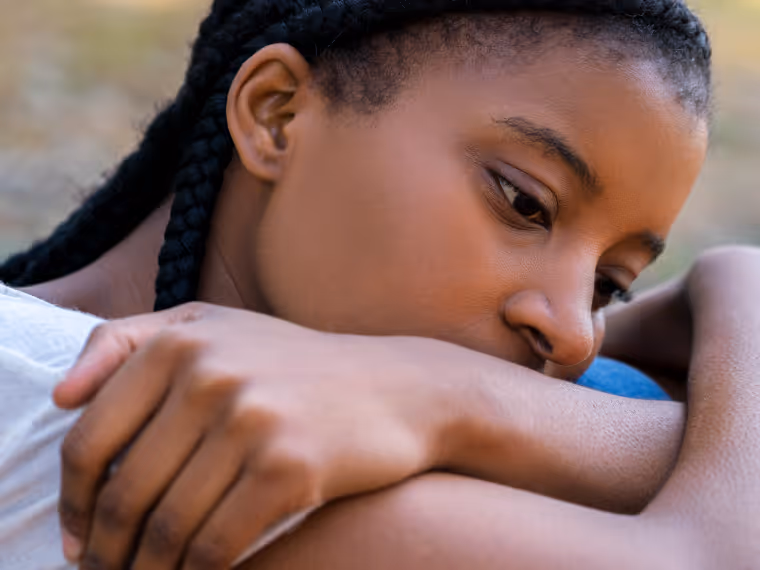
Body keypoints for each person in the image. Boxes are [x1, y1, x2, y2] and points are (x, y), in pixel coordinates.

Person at [2, 0, 757, 568]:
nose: (571, 333)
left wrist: (437, 395)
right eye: (524, 203)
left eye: (608, 285)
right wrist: (737, 278)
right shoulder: (97, 420)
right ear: (277, 116)